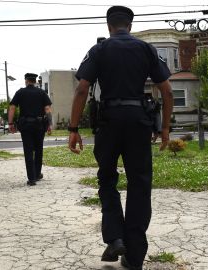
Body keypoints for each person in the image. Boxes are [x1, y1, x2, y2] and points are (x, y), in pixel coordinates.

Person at [67, 6, 173, 270]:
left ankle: (114, 237)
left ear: (109, 26)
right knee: (139, 183)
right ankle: (134, 256)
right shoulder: (146, 49)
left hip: (109, 121)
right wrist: (165, 129)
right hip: (139, 121)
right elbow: (168, 91)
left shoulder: (99, 50)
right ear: (131, 25)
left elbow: (82, 89)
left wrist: (73, 128)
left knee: (107, 177)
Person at [8, 73, 52, 186]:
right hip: (39, 125)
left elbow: (12, 107)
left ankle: (31, 179)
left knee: (28, 151)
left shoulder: (20, 92)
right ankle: (37, 174)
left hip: (26, 126)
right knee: (38, 150)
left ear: (26, 81)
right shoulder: (42, 93)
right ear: (35, 80)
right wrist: (50, 124)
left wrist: (10, 123)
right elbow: (47, 109)